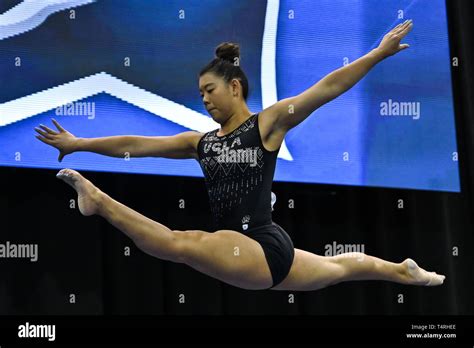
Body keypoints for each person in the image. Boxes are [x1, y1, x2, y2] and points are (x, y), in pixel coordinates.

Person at [35, 19, 445, 291]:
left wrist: (376, 54)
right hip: (260, 251)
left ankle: (100, 201)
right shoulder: (202, 143)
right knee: (339, 268)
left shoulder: (266, 125)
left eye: (210, 91)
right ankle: (401, 270)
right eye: (200, 95)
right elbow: (135, 145)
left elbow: (326, 89)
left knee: (180, 243)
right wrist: (79, 144)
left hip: (258, 245)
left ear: (234, 87)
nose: (205, 101)